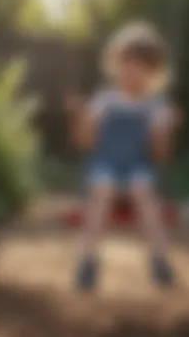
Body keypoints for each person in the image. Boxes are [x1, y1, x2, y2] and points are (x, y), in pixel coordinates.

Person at [65, 22, 178, 291]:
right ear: (115, 65)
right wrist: (79, 118)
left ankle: (159, 260)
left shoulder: (157, 106)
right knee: (103, 191)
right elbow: (85, 142)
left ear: (154, 73)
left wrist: (164, 131)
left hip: (138, 167)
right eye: (125, 63)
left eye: (140, 66)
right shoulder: (104, 100)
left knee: (143, 190)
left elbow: (161, 156)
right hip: (104, 166)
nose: (130, 71)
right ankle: (88, 261)